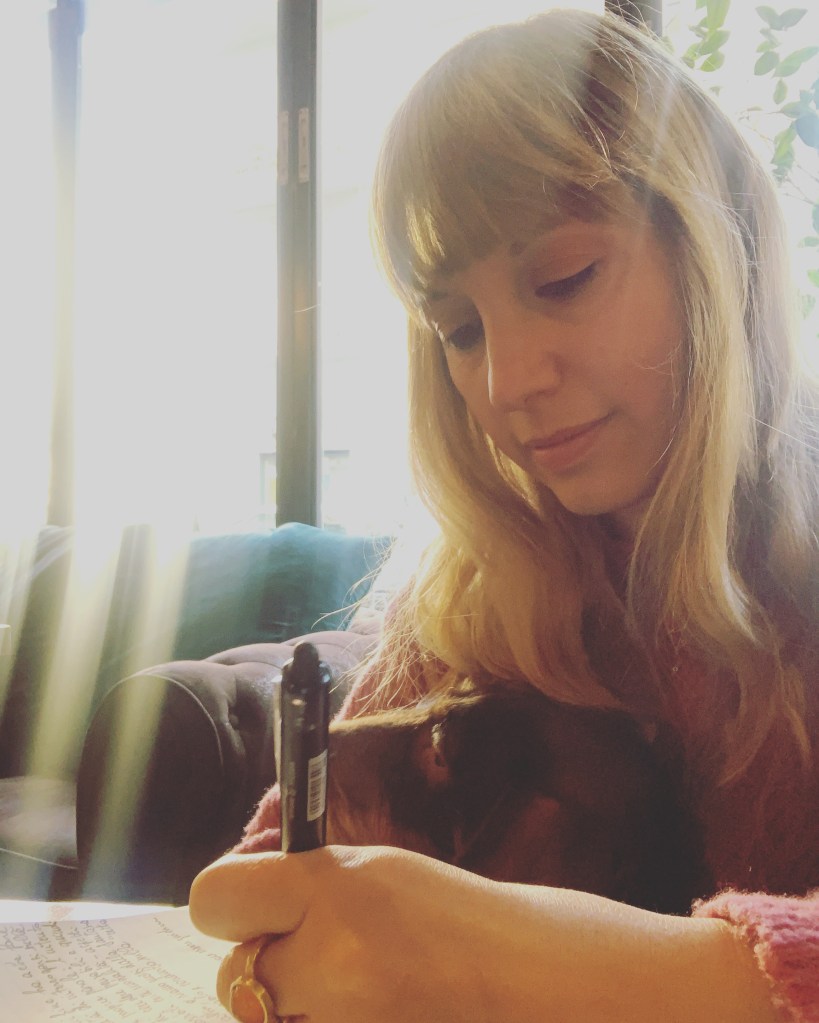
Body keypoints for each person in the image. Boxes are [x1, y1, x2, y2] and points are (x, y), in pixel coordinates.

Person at [189, 8, 819, 1022]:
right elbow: (272, 886)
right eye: (459, 328)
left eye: (564, 279)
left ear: (719, 245)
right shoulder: (477, 590)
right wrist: (283, 947)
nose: (507, 381)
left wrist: (523, 961)